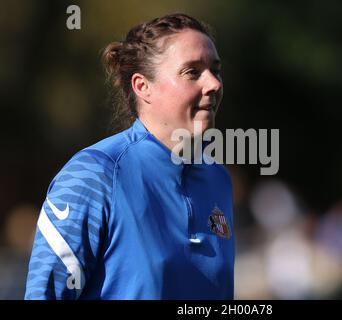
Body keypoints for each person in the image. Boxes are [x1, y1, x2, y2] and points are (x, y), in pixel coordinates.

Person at [24, 13, 234, 299]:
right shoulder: (93, 174)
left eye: (215, 70)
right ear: (142, 86)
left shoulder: (217, 178)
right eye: (192, 72)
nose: (214, 84)